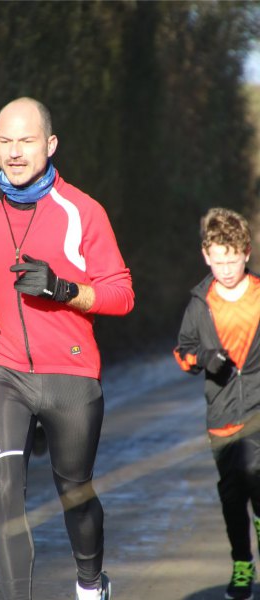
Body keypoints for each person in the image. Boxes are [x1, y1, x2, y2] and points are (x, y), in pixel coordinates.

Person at [0, 97, 135, 600]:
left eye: (26, 140)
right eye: (5, 141)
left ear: (51, 144)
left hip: (71, 376)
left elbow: (122, 294)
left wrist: (62, 288)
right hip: (5, 371)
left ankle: (91, 585)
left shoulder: (82, 211)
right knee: (5, 493)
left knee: (75, 493)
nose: (14, 152)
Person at [174, 207, 260, 600]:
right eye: (218, 261)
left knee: (257, 476)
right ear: (206, 256)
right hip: (222, 413)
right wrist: (203, 358)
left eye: (233, 260)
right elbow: (183, 352)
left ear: (246, 253)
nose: (225, 270)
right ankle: (242, 564)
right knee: (232, 493)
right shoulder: (200, 303)